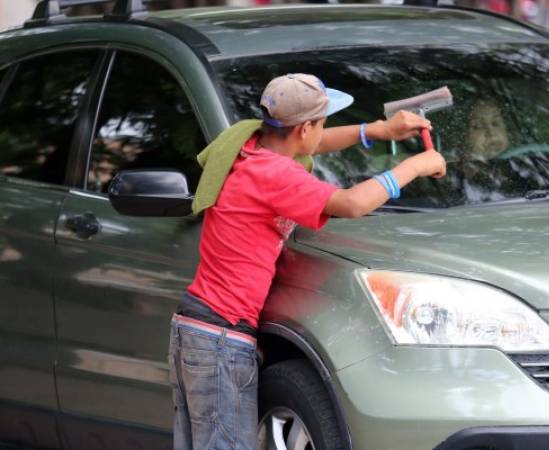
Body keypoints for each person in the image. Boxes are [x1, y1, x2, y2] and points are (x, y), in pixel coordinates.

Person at [167, 73, 446, 450]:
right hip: (220, 338)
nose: (322, 133)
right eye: (322, 122)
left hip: (196, 327)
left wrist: (380, 130)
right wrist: (416, 166)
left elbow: (315, 142)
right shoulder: (275, 174)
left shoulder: (247, 144)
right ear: (303, 129)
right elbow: (351, 204)